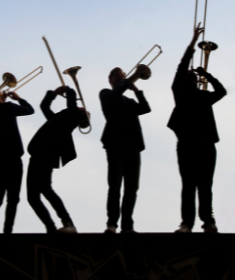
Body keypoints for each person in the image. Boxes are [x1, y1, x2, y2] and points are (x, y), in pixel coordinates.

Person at [168, 24, 227, 233]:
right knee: (189, 186)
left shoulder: (204, 96)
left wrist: (207, 75)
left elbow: (222, 91)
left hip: (205, 144)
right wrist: (193, 42)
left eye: (193, 75)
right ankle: (187, 223)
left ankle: (208, 221)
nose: (191, 75)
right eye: (189, 75)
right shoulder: (180, 92)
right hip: (187, 144)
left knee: (205, 186)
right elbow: (182, 66)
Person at [26, 85, 89, 234]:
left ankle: (68, 223)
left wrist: (69, 90)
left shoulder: (71, 118)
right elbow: (44, 106)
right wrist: (54, 93)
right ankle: (51, 229)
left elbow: (72, 105)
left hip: (47, 154)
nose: (80, 107)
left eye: (82, 109)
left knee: (45, 189)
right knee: (32, 198)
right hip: (37, 154)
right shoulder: (57, 119)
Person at [99, 65, 151, 233]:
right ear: (110, 79)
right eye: (118, 76)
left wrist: (135, 89)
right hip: (115, 144)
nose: (122, 77)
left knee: (132, 188)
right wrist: (132, 77)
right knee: (115, 186)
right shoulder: (106, 94)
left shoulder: (129, 101)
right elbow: (116, 94)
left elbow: (145, 108)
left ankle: (127, 225)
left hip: (133, 145)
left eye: (123, 75)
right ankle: (112, 223)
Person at [0, 81, 34, 234]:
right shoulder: (9, 107)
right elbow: (30, 110)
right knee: (13, 199)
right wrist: (18, 98)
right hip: (13, 158)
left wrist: (2, 100)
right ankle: (7, 231)